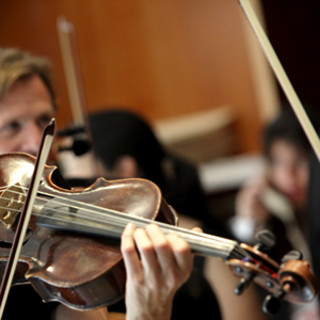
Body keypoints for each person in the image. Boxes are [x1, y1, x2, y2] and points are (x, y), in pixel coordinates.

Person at [0, 47, 195, 320]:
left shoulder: (64, 220)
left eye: (44, 120)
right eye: (12, 126)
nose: (35, 141)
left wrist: (149, 313)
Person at [230, 106, 320, 319]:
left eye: (299, 161)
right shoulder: (274, 220)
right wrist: (248, 223)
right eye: (278, 163)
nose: (289, 175)